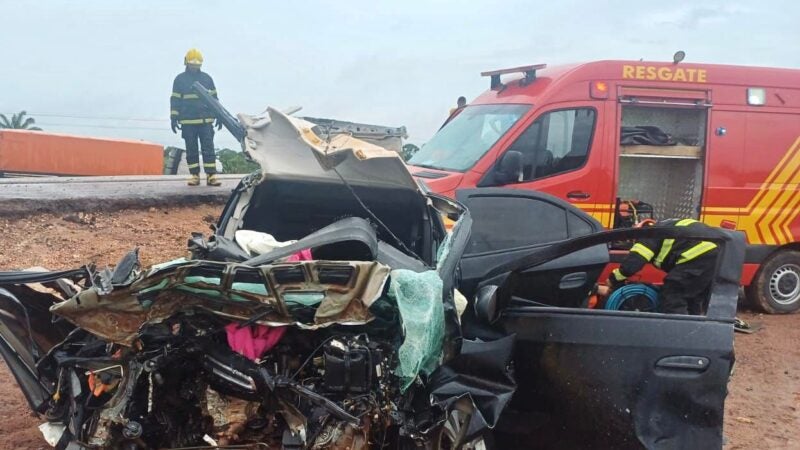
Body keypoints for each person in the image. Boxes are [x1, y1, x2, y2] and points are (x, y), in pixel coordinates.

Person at [607, 218, 719, 315]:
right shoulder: (665, 227)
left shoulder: (649, 234)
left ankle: (678, 329)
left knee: (673, 293)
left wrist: (615, 277)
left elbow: (633, 262)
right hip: (718, 255)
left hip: (698, 255)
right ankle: (694, 327)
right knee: (692, 297)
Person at [170, 48, 223, 186]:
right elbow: (175, 100)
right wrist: (173, 117)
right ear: (186, 63)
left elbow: (215, 100)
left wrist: (219, 116)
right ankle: (195, 176)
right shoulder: (180, 80)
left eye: (197, 65)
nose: (194, 67)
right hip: (188, 122)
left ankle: (211, 175)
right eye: (192, 65)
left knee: (208, 149)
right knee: (191, 150)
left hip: (205, 121)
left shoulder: (207, 79)